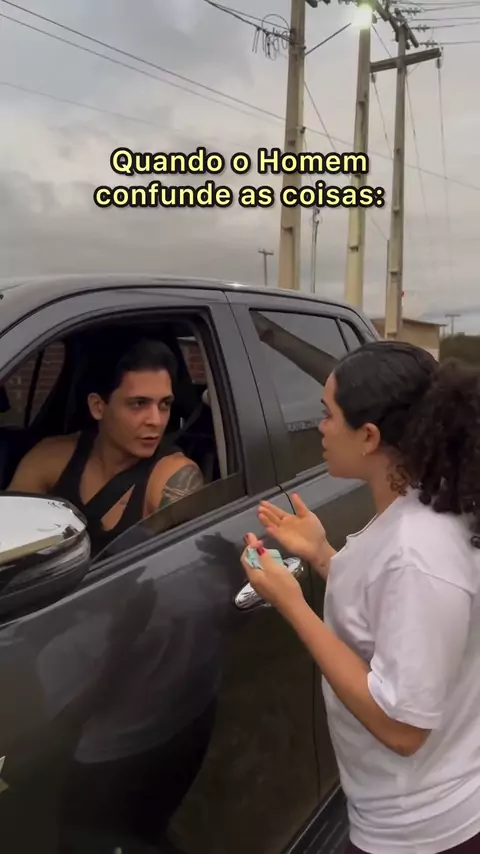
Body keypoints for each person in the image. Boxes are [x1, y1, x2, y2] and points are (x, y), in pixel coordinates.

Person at [240, 341, 480, 854]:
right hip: (408, 813)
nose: (320, 427)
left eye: (329, 414)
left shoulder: (418, 550)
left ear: (369, 436)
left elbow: (402, 727)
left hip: (421, 831)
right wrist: (322, 554)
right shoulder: (421, 510)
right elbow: (389, 614)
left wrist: (292, 604)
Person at [8, 338, 204, 555]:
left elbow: (188, 565)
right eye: (139, 404)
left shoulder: (172, 477)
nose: (156, 421)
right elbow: (7, 534)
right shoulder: (50, 458)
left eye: (164, 404)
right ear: (98, 407)